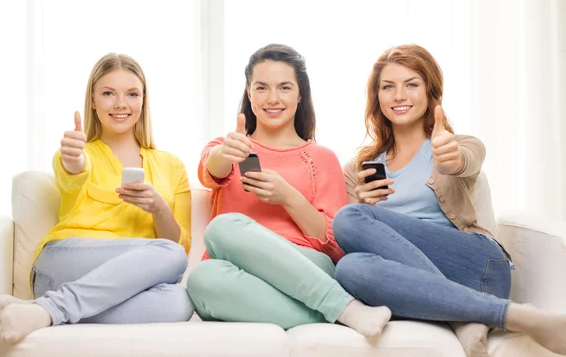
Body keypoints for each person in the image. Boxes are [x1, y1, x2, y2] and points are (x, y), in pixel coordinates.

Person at [333, 44, 566, 355]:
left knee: (347, 218)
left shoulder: (456, 145)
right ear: (377, 98)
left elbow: (467, 159)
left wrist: (452, 161)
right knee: (349, 269)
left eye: (412, 84)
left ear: (432, 93)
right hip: (425, 287)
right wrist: (364, 205)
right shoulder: (358, 170)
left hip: (479, 268)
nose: (399, 95)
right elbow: (351, 242)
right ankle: (465, 315)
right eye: (388, 87)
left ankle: (509, 314)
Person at [186, 44, 392, 339]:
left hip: (306, 265)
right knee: (202, 278)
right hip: (237, 273)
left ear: (300, 94)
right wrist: (224, 152)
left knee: (223, 226)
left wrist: (288, 197)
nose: (273, 98)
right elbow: (211, 169)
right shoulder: (229, 147)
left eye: (284, 87)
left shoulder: (321, 158)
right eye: (262, 88)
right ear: (249, 92)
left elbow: (333, 244)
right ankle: (340, 312)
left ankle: (337, 304)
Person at [0, 53, 194, 343]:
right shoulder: (81, 153)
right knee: (170, 253)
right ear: (92, 100)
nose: (120, 103)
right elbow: (73, 172)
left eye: (131, 94)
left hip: (110, 286)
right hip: (63, 263)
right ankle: (51, 305)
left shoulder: (171, 165)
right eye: (108, 93)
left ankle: (44, 310)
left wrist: (159, 208)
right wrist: (73, 159)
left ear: (143, 100)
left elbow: (181, 248)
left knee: (181, 302)